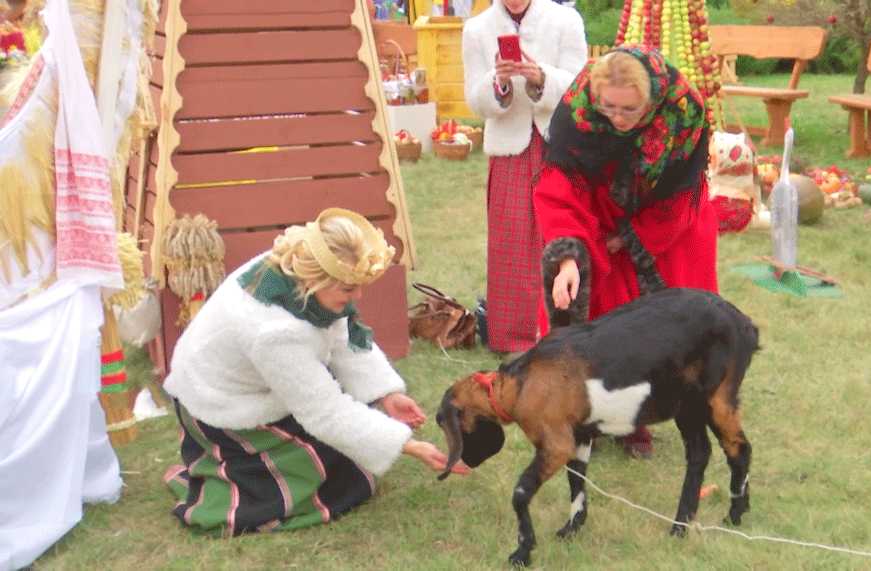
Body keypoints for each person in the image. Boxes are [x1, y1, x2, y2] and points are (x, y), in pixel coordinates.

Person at [162, 208, 470, 537]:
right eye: (348, 290)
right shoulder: (272, 332)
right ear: (314, 281)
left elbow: (340, 331)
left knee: (347, 455)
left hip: (264, 385)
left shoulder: (296, 267)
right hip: (220, 406)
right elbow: (325, 413)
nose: (358, 297)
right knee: (319, 480)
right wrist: (407, 445)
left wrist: (386, 393)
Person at [533, 46, 718, 458]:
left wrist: (637, 237)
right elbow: (559, 188)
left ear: (651, 99)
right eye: (608, 107)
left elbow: (684, 188)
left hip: (668, 216)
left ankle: (639, 419)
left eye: (629, 110)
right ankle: (583, 414)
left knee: (657, 326)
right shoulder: (577, 110)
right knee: (596, 312)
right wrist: (568, 255)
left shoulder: (684, 110)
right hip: (598, 209)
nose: (616, 118)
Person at [461, 0, 587, 354]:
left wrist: (541, 76)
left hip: (559, 145)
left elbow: (581, 88)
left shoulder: (566, 20)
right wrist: (498, 81)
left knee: (562, 236)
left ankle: (565, 331)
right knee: (511, 241)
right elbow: (474, 99)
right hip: (509, 150)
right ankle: (512, 336)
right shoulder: (477, 29)